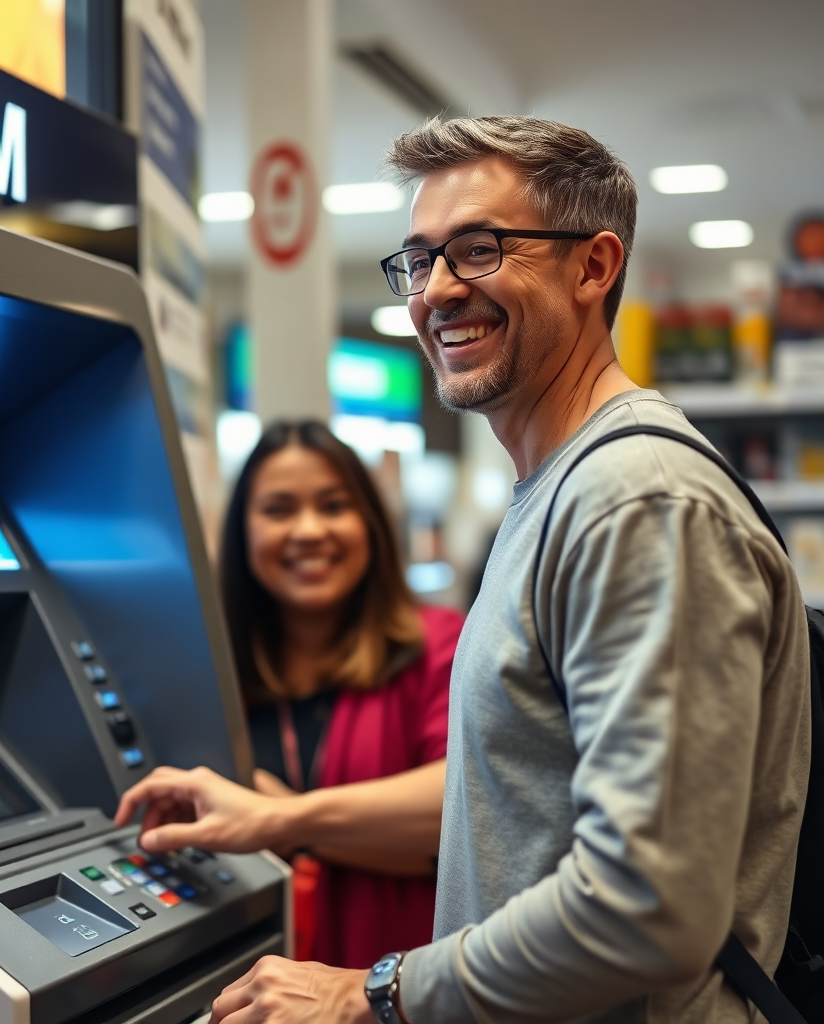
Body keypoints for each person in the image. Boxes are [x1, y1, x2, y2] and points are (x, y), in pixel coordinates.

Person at [119, 116, 810, 1024]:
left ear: (594, 267)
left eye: (479, 251)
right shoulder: (560, 493)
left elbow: (650, 908)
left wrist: (374, 993)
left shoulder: (635, 499)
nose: (437, 291)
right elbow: (526, 799)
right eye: (420, 260)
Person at [116, 419, 463, 969]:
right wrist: (367, 838)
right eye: (278, 510)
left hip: (398, 992)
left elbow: (461, 816)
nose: (307, 530)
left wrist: (279, 818)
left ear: (370, 523)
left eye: (332, 505)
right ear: (244, 532)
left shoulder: (441, 647)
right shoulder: (209, 675)